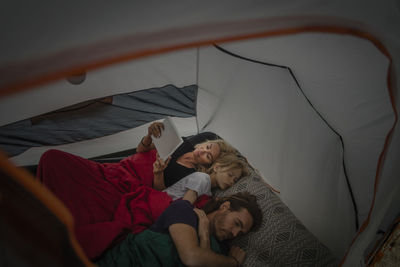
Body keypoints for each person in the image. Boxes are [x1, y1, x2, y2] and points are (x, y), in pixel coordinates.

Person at [78, 152, 249, 259]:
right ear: (217, 167)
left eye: (235, 180)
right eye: (230, 174)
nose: (231, 181)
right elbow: (185, 204)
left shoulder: (210, 195)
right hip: (163, 204)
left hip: (167, 202)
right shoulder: (202, 179)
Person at [96, 192, 263, 267]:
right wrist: (233, 263)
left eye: (240, 233)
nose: (234, 233)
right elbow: (191, 257)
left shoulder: (222, 250)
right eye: (237, 223)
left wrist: (204, 237)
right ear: (225, 207)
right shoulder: (185, 211)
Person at [137, 121, 237, 189]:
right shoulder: (183, 143)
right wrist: (149, 135)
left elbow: (160, 192)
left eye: (208, 156)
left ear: (208, 165)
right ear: (203, 143)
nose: (203, 151)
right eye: (207, 147)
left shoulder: (190, 175)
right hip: (136, 167)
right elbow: (140, 150)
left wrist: (158, 174)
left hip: (143, 184)